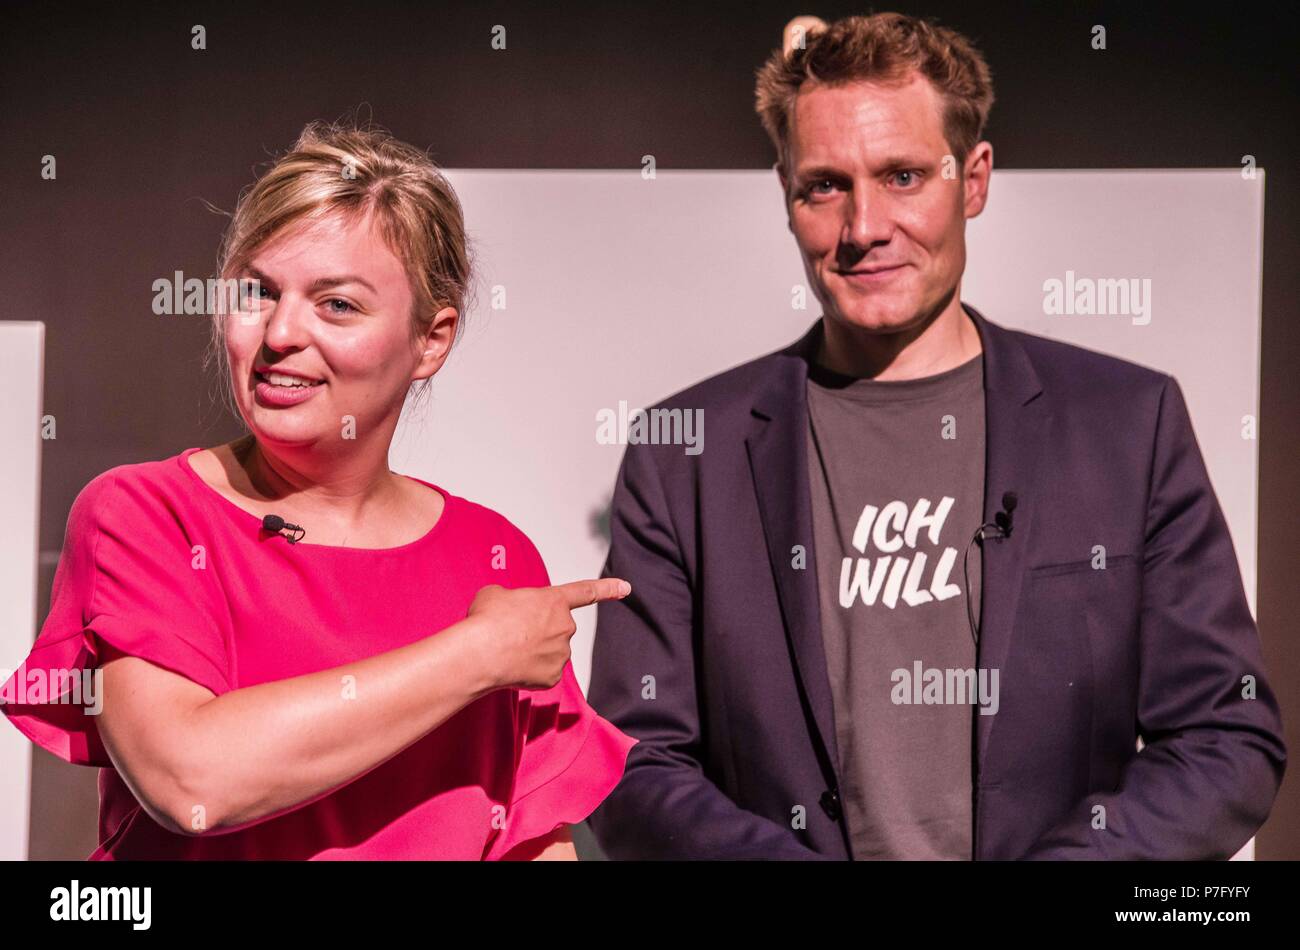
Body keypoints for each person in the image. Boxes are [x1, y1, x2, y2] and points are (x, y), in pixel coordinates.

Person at [585, 12, 1285, 860]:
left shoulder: (1127, 425)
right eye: (825, 186)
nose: (865, 227)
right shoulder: (682, 452)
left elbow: (1225, 739)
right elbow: (631, 764)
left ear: (975, 178)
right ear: (786, 195)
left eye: (904, 175)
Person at [1, 121, 635, 860]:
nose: (278, 334)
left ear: (431, 340)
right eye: (258, 291)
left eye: (336, 304)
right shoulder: (146, 514)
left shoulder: (493, 555)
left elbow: (532, 842)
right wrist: (475, 656)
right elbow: (190, 783)